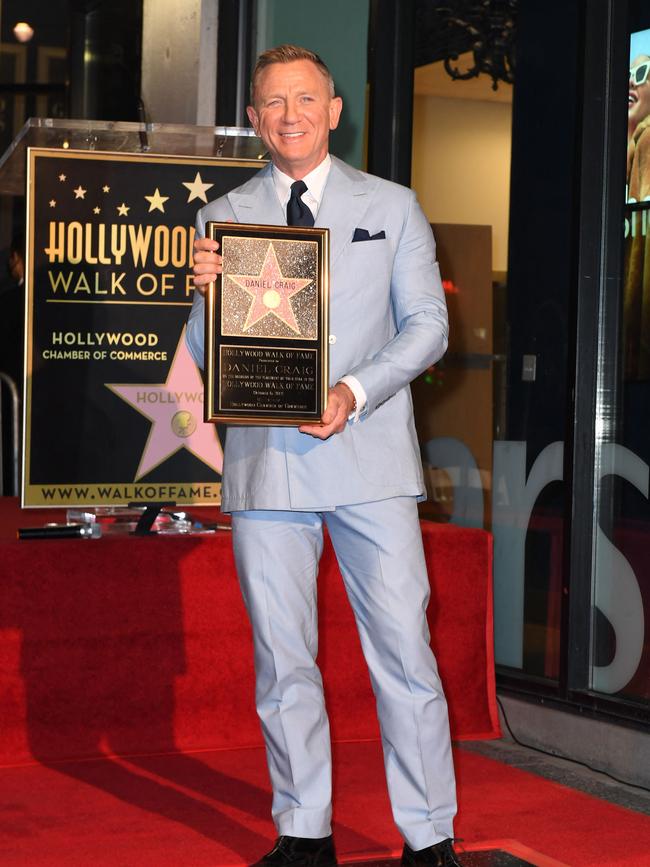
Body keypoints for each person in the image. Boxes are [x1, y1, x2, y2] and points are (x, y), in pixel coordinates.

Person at [187, 44, 461, 867]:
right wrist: (203, 297)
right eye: (273, 103)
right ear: (254, 119)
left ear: (334, 110)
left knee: (406, 654)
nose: (290, 115)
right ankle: (304, 830)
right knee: (283, 660)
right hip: (268, 465)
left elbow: (428, 327)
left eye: (305, 98)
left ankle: (429, 835)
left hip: (370, 461)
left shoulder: (395, 204)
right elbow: (210, 357)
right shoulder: (221, 217)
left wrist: (353, 391)